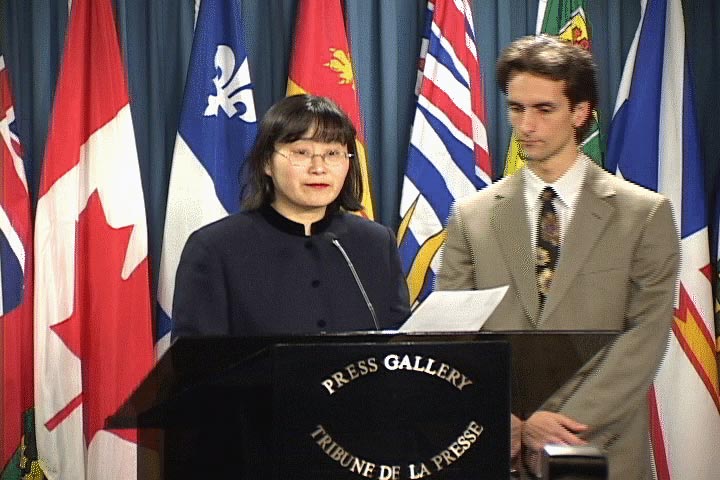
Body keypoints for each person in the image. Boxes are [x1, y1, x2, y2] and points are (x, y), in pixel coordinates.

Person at [437, 35, 679, 479]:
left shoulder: (644, 214)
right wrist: (508, 419)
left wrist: (559, 424)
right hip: (499, 449)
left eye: (544, 109)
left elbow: (645, 335)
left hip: (601, 449)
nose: (526, 125)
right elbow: (452, 336)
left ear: (580, 112)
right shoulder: (472, 216)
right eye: (516, 109)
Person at [172, 94, 410, 338]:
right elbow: (195, 359)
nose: (319, 168)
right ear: (267, 162)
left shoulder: (376, 243)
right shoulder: (215, 248)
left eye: (332, 153)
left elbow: (402, 348)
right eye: (301, 153)